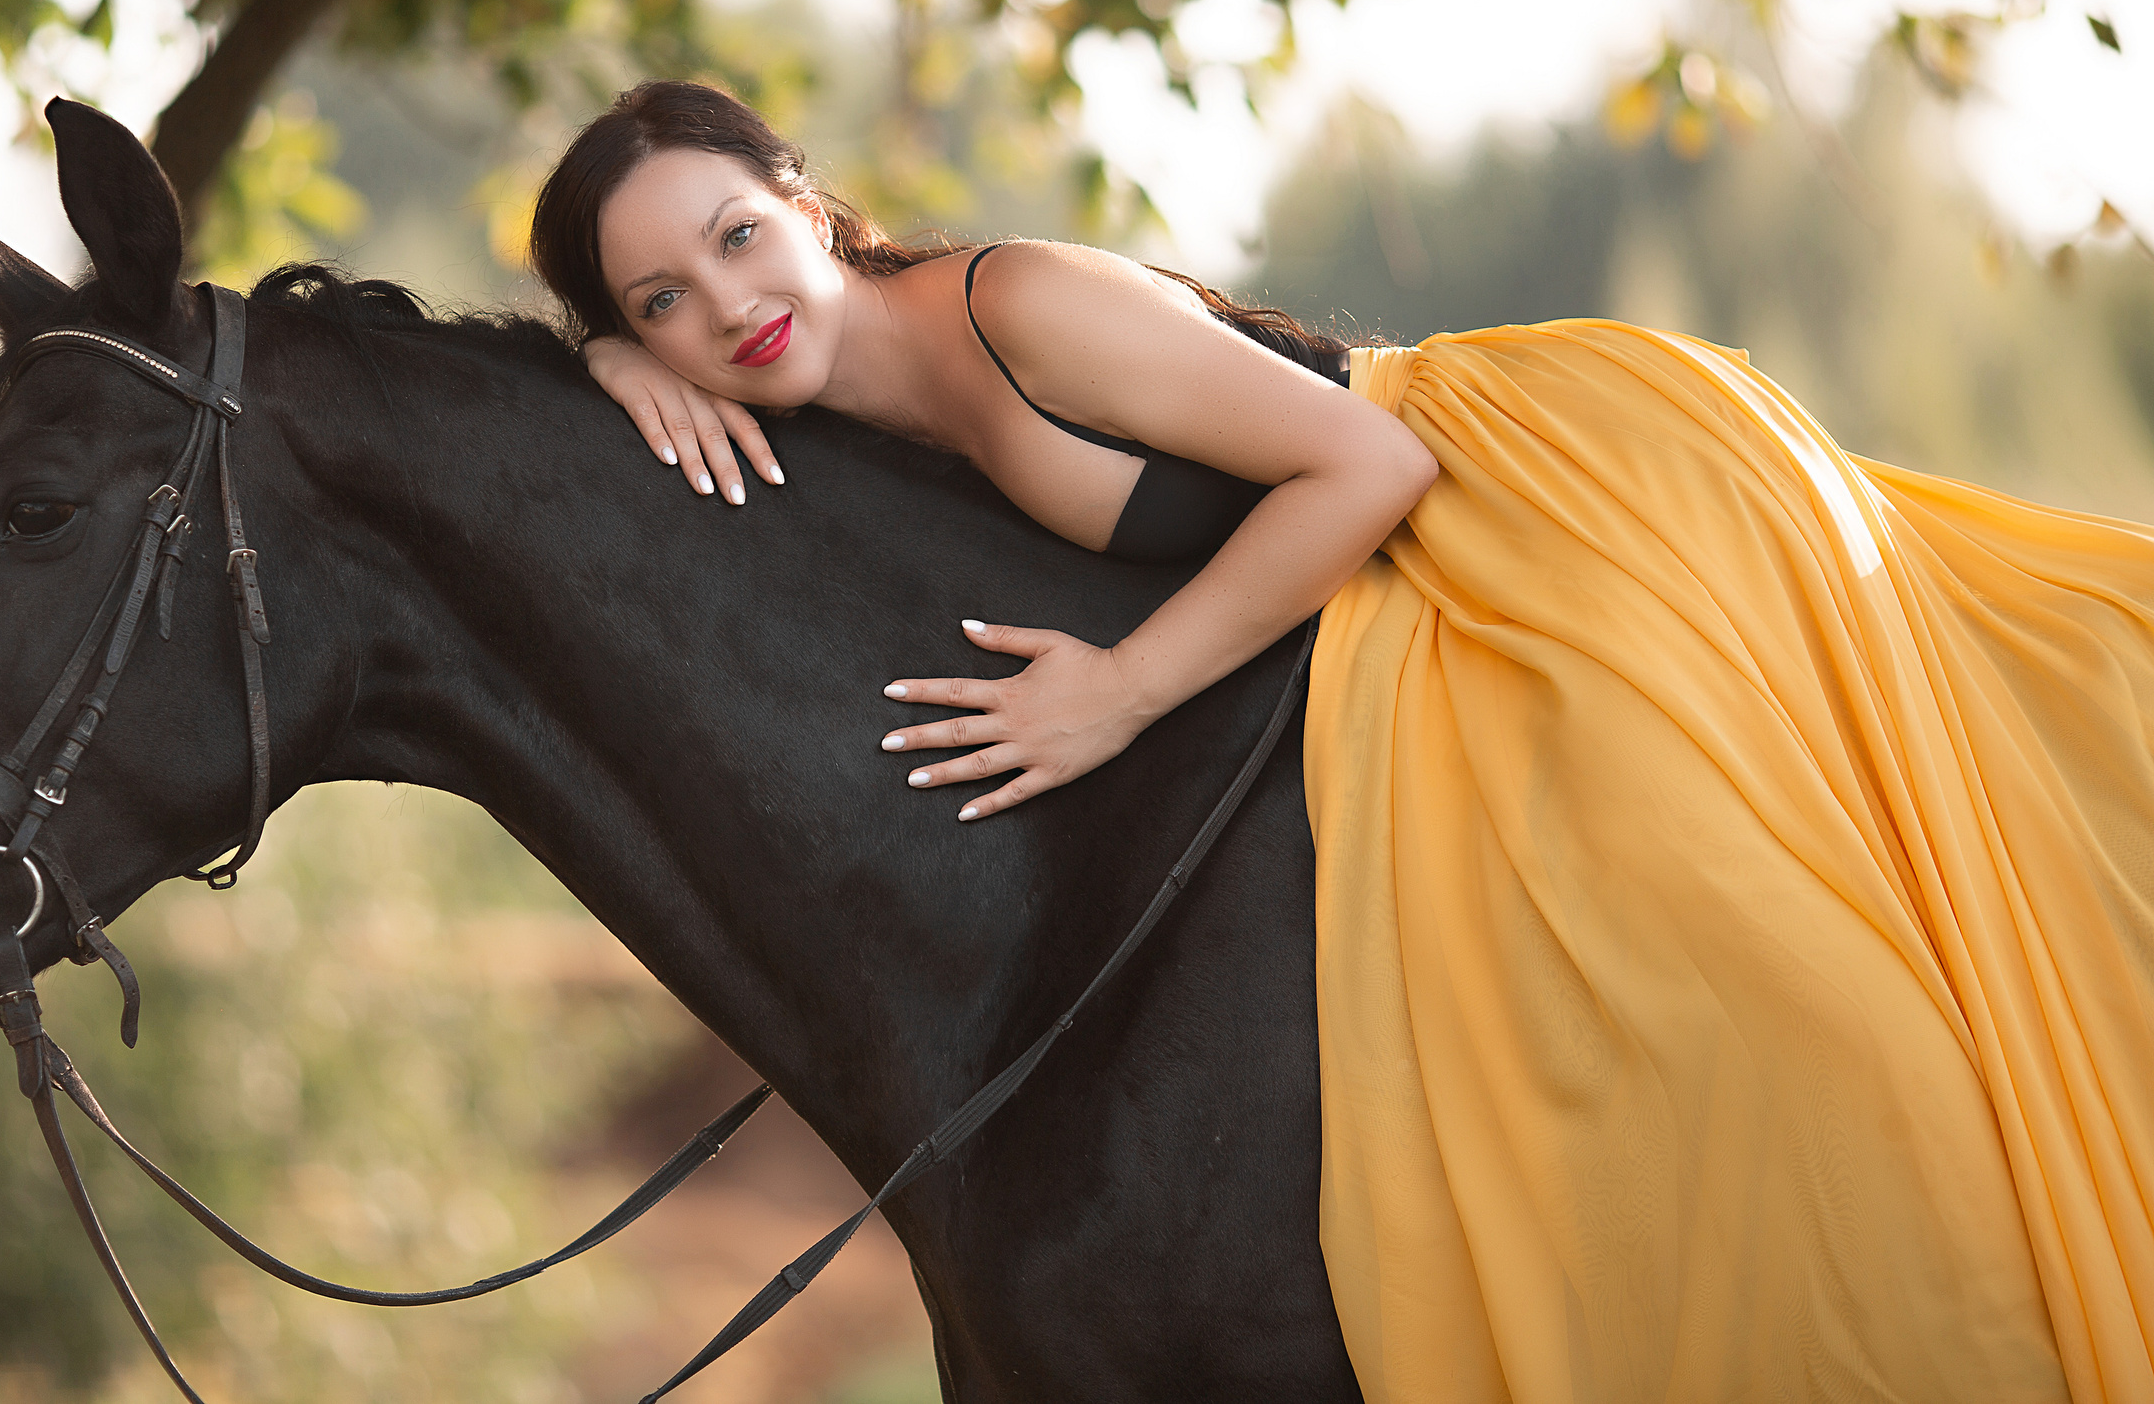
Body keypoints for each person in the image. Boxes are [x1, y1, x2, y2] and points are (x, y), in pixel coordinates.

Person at [532, 80, 2154, 1403]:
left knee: (1736, 938)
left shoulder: (1014, 303)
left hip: (1546, 495)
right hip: (1408, 575)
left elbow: (1367, 473)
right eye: (665, 299)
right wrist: (600, 363)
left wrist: (1126, 687)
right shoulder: (835, 406)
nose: (727, 306)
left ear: (810, 205)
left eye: (741, 238)